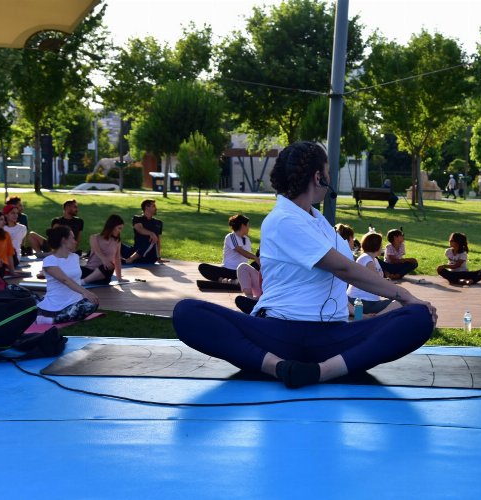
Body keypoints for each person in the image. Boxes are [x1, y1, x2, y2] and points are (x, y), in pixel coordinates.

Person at [173, 141, 436, 389]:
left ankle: (322, 371)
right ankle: (278, 367)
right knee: (187, 312)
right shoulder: (282, 220)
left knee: (419, 318)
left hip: (332, 337)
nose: (329, 178)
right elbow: (343, 269)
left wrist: (405, 306)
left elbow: (343, 276)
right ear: (317, 177)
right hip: (278, 333)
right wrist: (406, 296)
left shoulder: (320, 222)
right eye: (328, 172)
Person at [36, 226, 99, 324]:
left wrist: (85, 294)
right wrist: (85, 292)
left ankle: (59, 317)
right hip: (56, 304)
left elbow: (75, 278)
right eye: (72, 238)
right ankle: (51, 320)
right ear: (64, 240)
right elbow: (65, 280)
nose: (75, 241)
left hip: (75, 302)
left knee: (92, 303)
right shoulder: (49, 261)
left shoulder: (75, 257)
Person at [347, 232, 402, 316]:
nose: (382, 247)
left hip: (368, 301)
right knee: (401, 302)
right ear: (376, 245)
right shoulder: (366, 259)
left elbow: (376, 279)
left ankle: (373, 315)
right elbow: (377, 281)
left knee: (399, 302)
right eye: (381, 244)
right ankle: (376, 317)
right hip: (361, 301)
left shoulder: (373, 259)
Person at [83, 214, 126, 285]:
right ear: (112, 227)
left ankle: (83, 281)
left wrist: (119, 278)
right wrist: (104, 260)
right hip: (89, 271)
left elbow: (117, 259)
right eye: (119, 228)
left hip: (103, 274)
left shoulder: (117, 241)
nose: (120, 231)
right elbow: (97, 251)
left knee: (110, 266)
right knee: (75, 269)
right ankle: (86, 280)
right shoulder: (94, 238)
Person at [123, 199, 165, 264]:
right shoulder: (137, 219)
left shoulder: (158, 223)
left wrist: (158, 257)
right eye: (153, 206)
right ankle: (112, 259)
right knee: (113, 240)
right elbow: (139, 229)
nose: (156, 208)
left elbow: (158, 241)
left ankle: (130, 260)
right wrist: (151, 233)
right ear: (146, 207)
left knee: (152, 240)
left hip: (150, 256)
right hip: (135, 251)